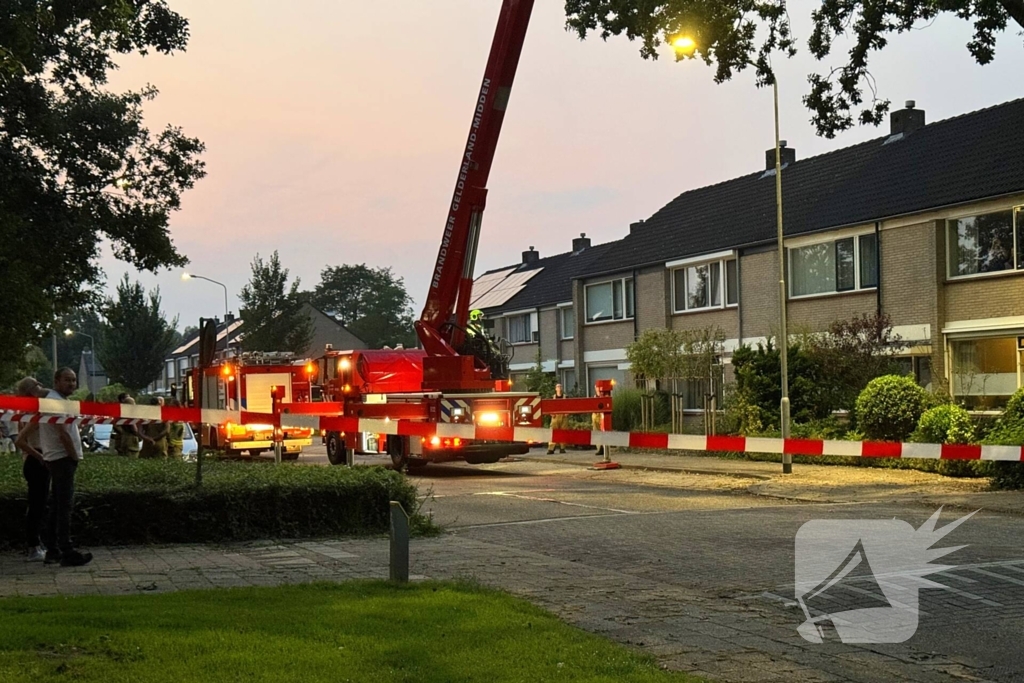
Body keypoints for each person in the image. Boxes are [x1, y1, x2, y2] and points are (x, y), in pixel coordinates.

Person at [38, 367, 92, 567]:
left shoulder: (59, 401)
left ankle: (53, 550)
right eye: (67, 380)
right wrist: (73, 455)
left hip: (57, 458)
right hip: (62, 458)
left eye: (74, 380)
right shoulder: (54, 402)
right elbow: (62, 432)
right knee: (64, 506)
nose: (72, 384)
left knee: (57, 506)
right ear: (56, 381)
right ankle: (66, 550)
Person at [13, 377, 50, 561]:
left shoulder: (30, 412)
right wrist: (39, 456)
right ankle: (33, 545)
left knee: (40, 504)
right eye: (36, 384)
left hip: (37, 459)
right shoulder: (32, 414)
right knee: (37, 504)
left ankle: (37, 542)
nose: (40, 386)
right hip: (37, 461)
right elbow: (20, 441)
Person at [546, 383, 568, 455]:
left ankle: (562, 448)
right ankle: (551, 448)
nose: (559, 388)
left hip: (563, 417)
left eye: (560, 386)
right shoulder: (553, 397)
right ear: (555, 389)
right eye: (558, 387)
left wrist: (567, 413)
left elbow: (569, 405)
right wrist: (551, 413)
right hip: (555, 417)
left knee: (563, 432)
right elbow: (549, 406)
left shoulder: (566, 397)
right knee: (553, 432)